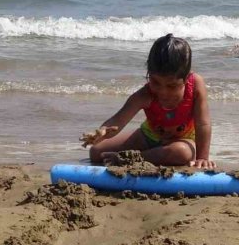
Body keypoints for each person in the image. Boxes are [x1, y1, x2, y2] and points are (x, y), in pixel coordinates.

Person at [82, 34, 214, 168]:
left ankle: (134, 158)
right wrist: (102, 131)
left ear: (186, 78)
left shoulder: (195, 85)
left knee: (182, 153)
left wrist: (202, 158)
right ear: (149, 74)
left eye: (172, 86)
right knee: (96, 151)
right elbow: (118, 120)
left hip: (183, 140)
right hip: (149, 136)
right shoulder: (144, 95)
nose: (163, 92)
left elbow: (203, 124)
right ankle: (148, 155)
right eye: (155, 82)